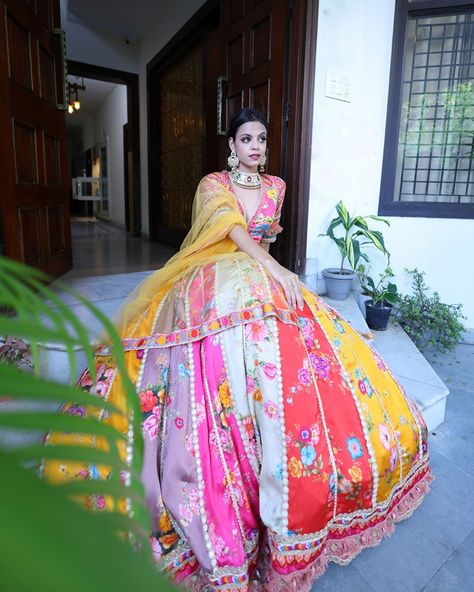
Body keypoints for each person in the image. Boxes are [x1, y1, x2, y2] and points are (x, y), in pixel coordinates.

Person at [43, 108, 432, 591]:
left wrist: (279, 275)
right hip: (216, 271)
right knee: (231, 324)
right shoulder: (212, 185)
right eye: (246, 138)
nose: (256, 146)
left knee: (286, 332)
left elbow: (266, 243)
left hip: (260, 271)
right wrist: (275, 271)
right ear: (231, 145)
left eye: (262, 139)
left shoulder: (276, 187)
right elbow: (230, 232)